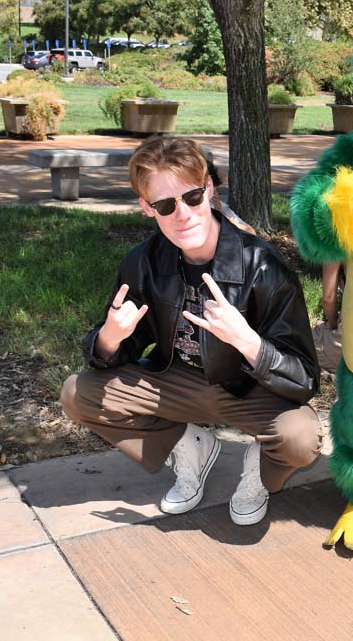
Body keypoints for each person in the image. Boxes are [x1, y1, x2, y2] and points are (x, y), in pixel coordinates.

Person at [60, 135, 323, 525]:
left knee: (299, 438)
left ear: (210, 190)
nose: (182, 214)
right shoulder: (143, 262)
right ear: (146, 208)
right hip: (177, 383)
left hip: (247, 390)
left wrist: (248, 342)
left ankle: (260, 469)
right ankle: (190, 447)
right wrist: (110, 337)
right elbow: (117, 352)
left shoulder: (264, 268)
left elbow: (304, 379)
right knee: (76, 394)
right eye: (165, 205)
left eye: (192, 197)